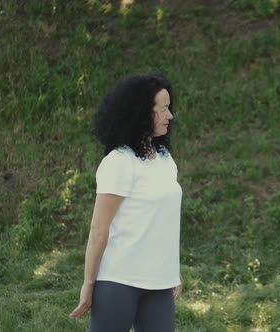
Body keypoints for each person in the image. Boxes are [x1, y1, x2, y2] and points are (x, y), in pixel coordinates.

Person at [69, 73, 183, 332]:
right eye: (163, 109)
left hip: (159, 283)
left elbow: (163, 221)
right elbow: (99, 230)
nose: (170, 116)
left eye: (169, 108)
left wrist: (172, 270)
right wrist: (89, 284)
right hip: (119, 281)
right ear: (141, 113)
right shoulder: (120, 162)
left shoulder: (165, 159)